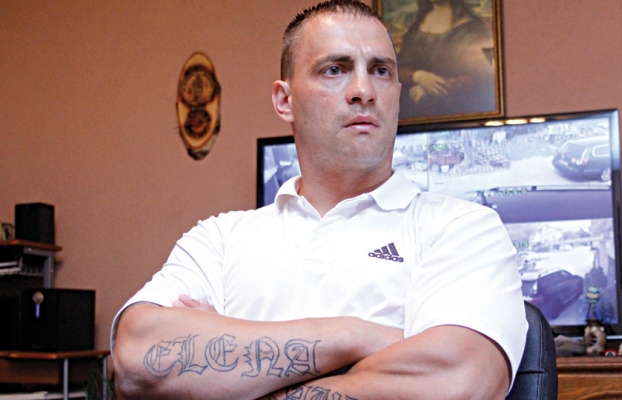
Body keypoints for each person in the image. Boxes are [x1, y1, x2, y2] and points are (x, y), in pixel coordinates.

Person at [111, 1, 527, 399]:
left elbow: (462, 381)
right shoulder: (220, 239)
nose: (363, 90)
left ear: (397, 94)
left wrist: (233, 365)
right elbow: (134, 358)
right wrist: (357, 335)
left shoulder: (461, 229)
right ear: (285, 100)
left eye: (381, 71)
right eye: (335, 69)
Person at [397, 0, 496, 119]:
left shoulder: (469, 26)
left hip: (454, 106)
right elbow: (400, 66)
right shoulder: (417, 25)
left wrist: (433, 88)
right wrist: (418, 76)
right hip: (413, 107)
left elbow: (478, 76)